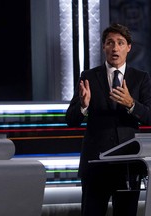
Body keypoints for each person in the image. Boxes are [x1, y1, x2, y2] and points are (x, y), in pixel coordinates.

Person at [66, 23, 151, 216]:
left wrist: (131, 104)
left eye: (120, 43)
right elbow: (70, 119)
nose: (115, 47)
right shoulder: (88, 77)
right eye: (110, 42)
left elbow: (149, 116)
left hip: (128, 166)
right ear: (104, 46)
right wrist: (83, 105)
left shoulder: (140, 78)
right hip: (95, 165)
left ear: (128, 47)